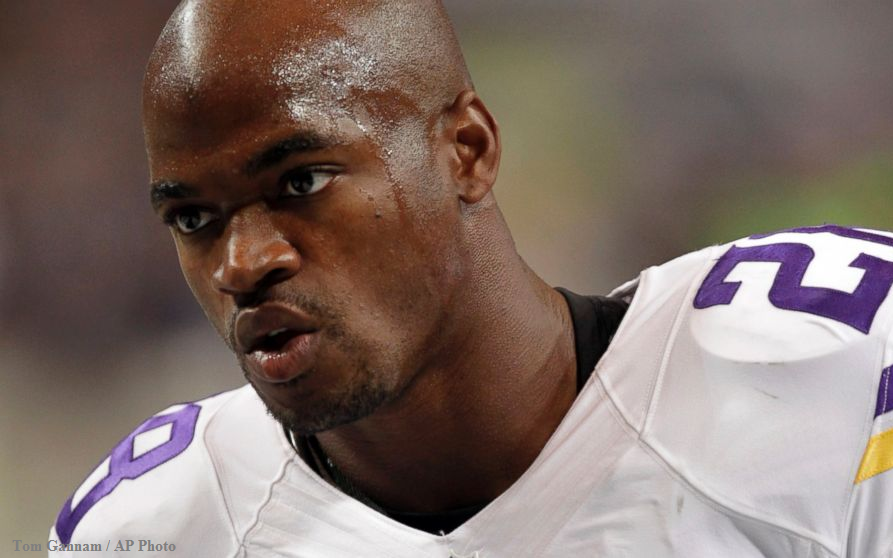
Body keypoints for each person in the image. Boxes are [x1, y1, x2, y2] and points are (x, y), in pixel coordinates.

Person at [50, 1, 893, 556]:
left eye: (300, 181)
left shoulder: (832, 365)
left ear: (467, 150)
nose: (241, 263)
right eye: (192, 218)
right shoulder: (156, 527)